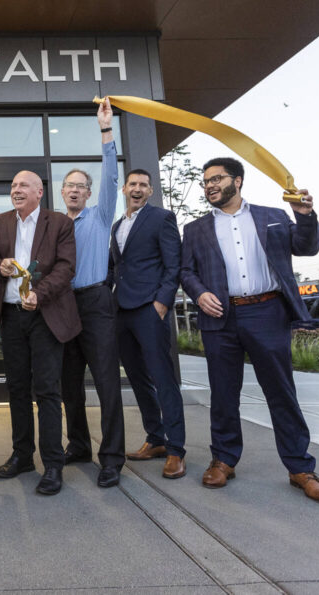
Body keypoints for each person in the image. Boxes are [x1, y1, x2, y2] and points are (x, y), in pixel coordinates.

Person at [180, 158, 319, 505]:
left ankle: (300, 468)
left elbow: (307, 246)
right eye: (205, 182)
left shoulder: (272, 216)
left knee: (281, 392)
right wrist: (199, 293)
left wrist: (305, 215)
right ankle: (223, 460)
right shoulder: (195, 229)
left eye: (216, 179)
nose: (209, 186)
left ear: (237, 180)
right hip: (220, 318)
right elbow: (185, 270)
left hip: (267, 312)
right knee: (222, 394)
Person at [0, 170, 79, 496]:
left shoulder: (60, 223)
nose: (16, 190)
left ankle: (53, 464)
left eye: (23, 185)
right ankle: (22, 455)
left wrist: (39, 293)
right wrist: (1, 267)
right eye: (12, 186)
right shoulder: (2, 222)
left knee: (48, 390)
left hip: (45, 315)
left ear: (39, 192)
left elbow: (67, 267)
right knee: (17, 389)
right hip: (11, 317)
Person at [59, 97, 125, 488]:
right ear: (62, 191)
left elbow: (111, 177)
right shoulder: (53, 225)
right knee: (70, 385)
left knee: (106, 383)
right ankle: (78, 444)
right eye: (69, 186)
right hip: (64, 307)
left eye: (82, 187)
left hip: (97, 302)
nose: (75, 191)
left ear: (88, 194)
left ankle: (112, 457)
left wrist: (106, 130)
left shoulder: (100, 217)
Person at [109, 168, 185, 479]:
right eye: (132, 184)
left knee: (163, 378)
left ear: (150, 191)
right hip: (121, 311)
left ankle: (176, 450)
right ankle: (155, 439)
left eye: (143, 185)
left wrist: (162, 304)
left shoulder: (161, 218)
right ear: (124, 189)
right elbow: (119, 266)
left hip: (150, 310)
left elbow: (173, 263)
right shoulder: (117, 225)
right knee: (138, 379)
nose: (137, 189)